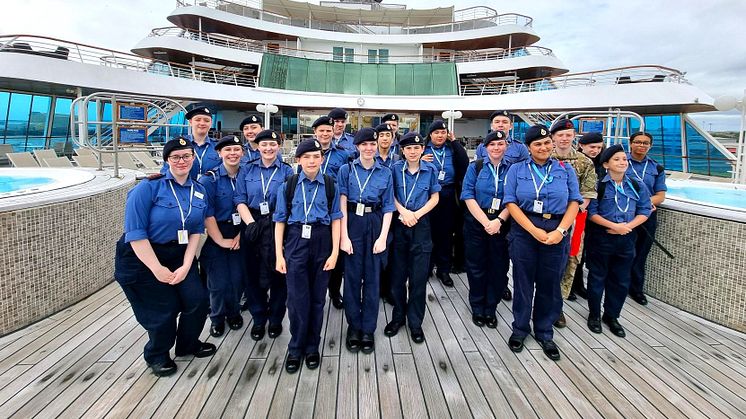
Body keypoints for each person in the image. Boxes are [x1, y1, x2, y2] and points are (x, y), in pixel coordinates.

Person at [114, 137, 215, 377]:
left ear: (193, 158)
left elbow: (196, 231)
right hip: (143, 256)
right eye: (176, 157)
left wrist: (188, 264)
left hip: (180, 253)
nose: (182, 161)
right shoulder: (147, 188)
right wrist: (157, 269)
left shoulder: (198, 191)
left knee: (198, 300)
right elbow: (135, 234)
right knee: (163, 310)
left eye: (187, 156)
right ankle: (157, 354)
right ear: (167, 160)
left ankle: (188, 344)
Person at [503, 125, 583, 361]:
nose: (544, 147)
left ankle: (545, 332)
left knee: (550, 284)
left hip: (557, 230)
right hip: (525, 229)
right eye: (538, 144)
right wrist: (533, 230)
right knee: (523, 281)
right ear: (529, 148)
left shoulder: (564, 169)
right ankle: (520, 329)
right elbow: (511, 202)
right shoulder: (517, 170)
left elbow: (574, 202)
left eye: (547, 142)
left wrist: (561, 230)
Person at [274, 138, 342, 374]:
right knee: (296, 299)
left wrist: (334, 252)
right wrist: (278, 255)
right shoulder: (289, 185)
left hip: (323, 240)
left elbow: (336, 219)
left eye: (316, 156)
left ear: (322, 159)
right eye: (307, 157)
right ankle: (296, 347)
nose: (312, 161)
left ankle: (312, 346)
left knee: (317, 299)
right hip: (295, 241)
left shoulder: (331, 184)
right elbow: (280, 221)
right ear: (298, 160)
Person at [337, 128, 395, 353]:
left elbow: (389, 207)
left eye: (373, 144)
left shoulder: (386, 172)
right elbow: (341, 203)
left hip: (375, 222)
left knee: (372, 278)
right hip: (352, 221)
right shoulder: (346, 170)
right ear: (357, 146)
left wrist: (382, 238)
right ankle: (354, 326)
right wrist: (344, 236)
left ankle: (368, 328)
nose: (369, 148)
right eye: (364, 144)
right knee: (351, 278)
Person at [586, 144, 651, 337]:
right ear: (606, 164)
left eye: (624, 159)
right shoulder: (599, 185)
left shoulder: (636, 184)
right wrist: (614, 226)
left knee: (621, 280)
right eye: (616, 159)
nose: (622, 162)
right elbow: (592, 212)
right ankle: (595, 314)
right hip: (602, 236)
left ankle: (612, 315)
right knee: (597, 277)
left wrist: (628, 226)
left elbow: (645, 209)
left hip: (626, 237)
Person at [235, 129, 294, 341]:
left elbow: (290, 201)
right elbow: (240, 199)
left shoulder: (287, 172)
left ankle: (276, 318)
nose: (268, 148)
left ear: (279, 146)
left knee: (279, 273)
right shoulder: (246, 170)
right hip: (252, 222)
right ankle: (259, 317)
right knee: (251, 273)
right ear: (258, 147)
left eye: (273, 144)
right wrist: (250, 224)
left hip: (277, 224)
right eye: (264, 145)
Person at [384, 132, 440, 343]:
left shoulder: (431, 170)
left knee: (418, 278)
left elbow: (435, 197)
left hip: (421, 224)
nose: (413, 151)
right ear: (403, 150)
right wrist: (404, 213)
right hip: (400, 224)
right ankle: (398, 317)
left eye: (417, 148)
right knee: (397, 276)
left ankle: (415, 322)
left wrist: (416, 214)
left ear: (422, 150)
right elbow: (391, 196)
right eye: (409, 148)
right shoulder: (394, 169)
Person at [475, 110, 529, 302]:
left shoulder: (520, 149)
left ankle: (502, 284)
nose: (500, 125)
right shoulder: (483, 147)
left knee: (502, 253)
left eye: (504, 122)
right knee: (482, 254)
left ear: (510, 126)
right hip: (485, 207)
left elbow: (526, 174)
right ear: (491, 126)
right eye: (497, 121)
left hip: (509, 208)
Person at [460, 131, 512, 329]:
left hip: (503, 221)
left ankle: (491, 307)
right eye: (492, 145)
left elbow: (514, 198)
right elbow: (467, 195)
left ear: (505, 146)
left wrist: (498, 220)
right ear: (486, 147)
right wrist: (486, 222)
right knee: (476, 266)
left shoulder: (512, 169)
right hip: (477, 221)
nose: (496, 148)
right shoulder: (476, 167)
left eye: (500, 144)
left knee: (499, 267)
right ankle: (477, 306)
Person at [549, 118, 597, 328]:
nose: (564, 138)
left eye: (568, 135)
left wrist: (571, 214)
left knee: (570, 261)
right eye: (560, 135)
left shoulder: (584, 162)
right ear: (553, 137)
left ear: (574, 137)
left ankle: (557, 307)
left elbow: (587, 193)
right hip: (547, 218)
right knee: (545, 263)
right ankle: (540, 303)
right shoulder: (543, 157)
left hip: (574, 219)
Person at [199, 135, 245, 338]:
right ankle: (217, 318)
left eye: (236, 149)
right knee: (217, 282)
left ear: (242, 153)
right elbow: (207, 213)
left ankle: (234, 312)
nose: (233, 153)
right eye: (228, 150)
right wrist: (219, 240)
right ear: (219, 153)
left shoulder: (248, 175)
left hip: (241, 233)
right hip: (218, 232)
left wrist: (241, 236)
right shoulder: (209, 179)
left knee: (236, 278)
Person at [422, 120, 469, 287]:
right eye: (436, 133)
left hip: (448, 194)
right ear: (430, 135)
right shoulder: (423, 149)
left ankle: (443, 269)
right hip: (427, 195)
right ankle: (426, 268)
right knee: (427, 233)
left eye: (443, 133)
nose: (440, 135)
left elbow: (464, 164)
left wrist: (455, 141)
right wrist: (421, 159)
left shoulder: (452, 149)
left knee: (446, 234)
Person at [313, 116, 351, 310]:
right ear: (315, 133)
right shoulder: (309, 151)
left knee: (336, 251)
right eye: (321, 131)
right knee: (316, 252)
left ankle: (335, 292)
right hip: (313, 209)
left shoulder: (343, 155)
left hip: (334, 208)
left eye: (328, 130)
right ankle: (317, 292)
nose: (325, 134)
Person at [626, 131, 666, 306]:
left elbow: (660, 195)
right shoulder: (620, 162)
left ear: (650, 145)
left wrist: (643, 203)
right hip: (624, 212)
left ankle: (636, 289)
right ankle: (615, 284)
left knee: (641, 253)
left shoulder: (656, 168)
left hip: (646, 215)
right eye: (638, 142)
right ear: (631, 143)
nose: (641, 145)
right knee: (622, 251)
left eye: (645, 143)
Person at [572, 131, 606, 299]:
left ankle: (579, 284)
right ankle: (572, 284)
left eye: (599, 147)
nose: (595, 150)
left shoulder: (602, 165)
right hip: (579, 212)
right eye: (592, 147)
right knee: (575, 250)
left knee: (584, 251)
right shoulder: (576, 163)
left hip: (596, 213)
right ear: (581, 146)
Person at [374, 122, 398, 305]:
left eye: (387, 136)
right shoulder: (369, 158)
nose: (384, 139)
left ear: (392, 139)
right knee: (374, 250)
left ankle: (388, 289)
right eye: (381, 135)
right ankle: (375, 288)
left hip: (394, 211)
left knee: (391, 252)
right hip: (374, 212)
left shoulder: (398, 159)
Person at [162, 107, 221, 181]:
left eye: (206, 120)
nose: (202, 123)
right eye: (198, 120)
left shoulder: (219, 146)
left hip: (211, 190)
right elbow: (165, 172)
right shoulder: (176, 145)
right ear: (190, 122)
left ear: (211, 123)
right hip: (184, 189)